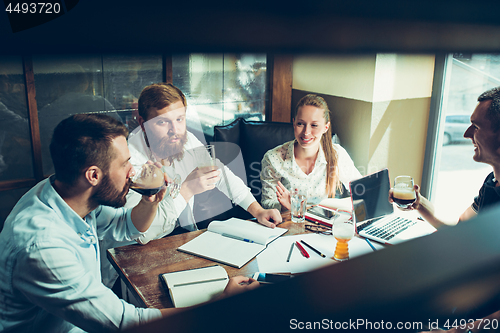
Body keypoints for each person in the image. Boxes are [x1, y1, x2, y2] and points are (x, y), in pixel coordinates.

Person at [0, 114, 258, 333]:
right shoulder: (43, 248)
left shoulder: (64, 193)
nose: (132, 171)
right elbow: (126, 323)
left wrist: (150, 200)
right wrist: (222, 303)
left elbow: (127, 226)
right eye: (125, 164)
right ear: (93, 175)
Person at [388, 87, 500, 333]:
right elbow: (461, 229)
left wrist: (459, 332)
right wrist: (419, 203)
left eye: (477, 127)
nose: (466, 133)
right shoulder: (492, 184)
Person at [260, 94, 361, 211]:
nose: (306, 132)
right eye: (300, 124)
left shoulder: (336, 154)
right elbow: (267, 203)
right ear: (294, 123)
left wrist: (386, 194)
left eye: (314, 125)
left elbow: (361, 188)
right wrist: (285, 206)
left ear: (326, 127)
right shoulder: (272, 158)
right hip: (288, 223)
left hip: (322, 225)